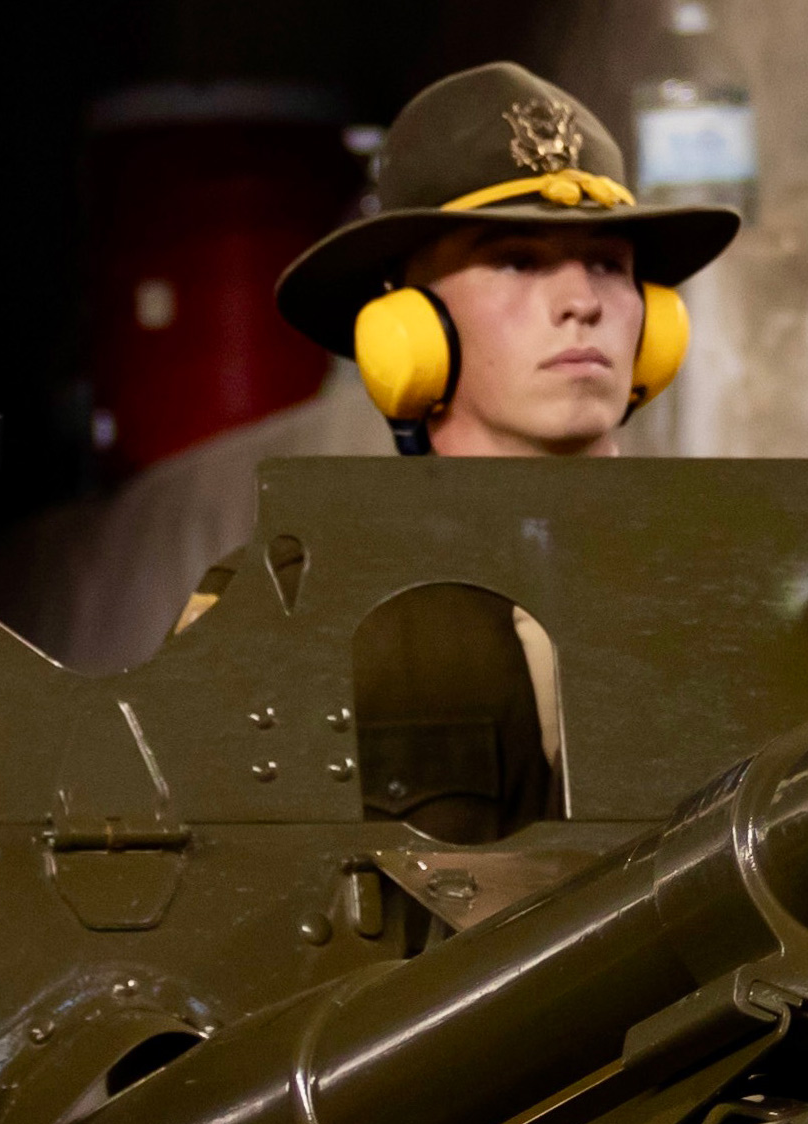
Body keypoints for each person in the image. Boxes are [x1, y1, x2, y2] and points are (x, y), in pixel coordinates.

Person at [177, 61, 739, 841]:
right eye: (517, 259)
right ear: (408, 332)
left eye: (609, 265)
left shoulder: (741, 575)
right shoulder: (287, 603)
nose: (581, 302)